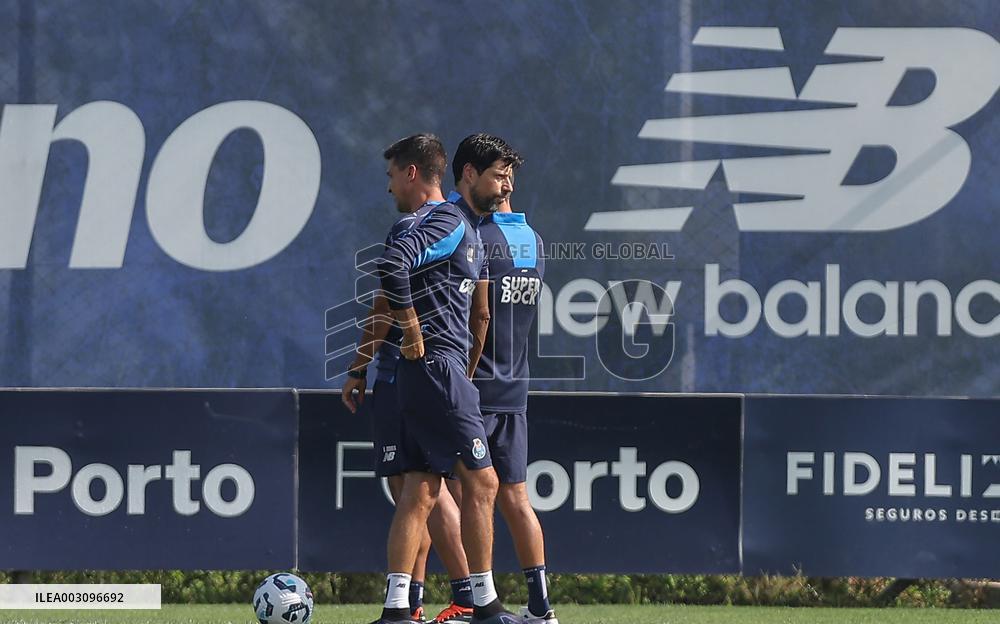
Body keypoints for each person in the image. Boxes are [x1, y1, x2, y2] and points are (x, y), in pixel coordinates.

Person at [374, 132, 522, 624]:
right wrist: (413, 329)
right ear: (466, 175)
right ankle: (485, 604)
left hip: (429, 372)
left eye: (508, 178)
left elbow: (478, 316)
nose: (506, 187)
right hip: (436, 367)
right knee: (483, 481)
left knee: (420, 490)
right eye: (499, 177)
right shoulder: (448, 220)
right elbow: (392, 264)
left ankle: (396, 610)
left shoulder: (464, 228)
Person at [341, 134, 473, 624]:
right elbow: (386, 303)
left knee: (423, 489)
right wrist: (361, 365)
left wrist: (405, 341)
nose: (389, 186)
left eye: (393, 175)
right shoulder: (443, 225)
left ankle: (461, 597)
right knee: (415, 491)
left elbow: (389, 304)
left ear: (412, 172)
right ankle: (418, 600)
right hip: (405, 373)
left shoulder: (427, 224)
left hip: (415, 373)